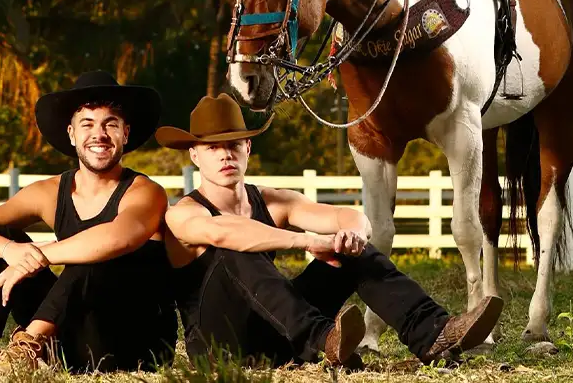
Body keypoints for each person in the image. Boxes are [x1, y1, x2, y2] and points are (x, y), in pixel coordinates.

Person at [156, 93, 504, 369]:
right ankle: (325, 340)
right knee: (237, 248)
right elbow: (224, 233)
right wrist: (309, 241)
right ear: (194, 156)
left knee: (350, 249)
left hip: (279, 337)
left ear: (247, 149)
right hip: (221, 348)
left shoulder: (273, 200)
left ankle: (433, 333)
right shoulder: (184, 213)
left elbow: (350, 217)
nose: (225, 155)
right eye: (212, 147)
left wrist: (350, 236)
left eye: (233, 145)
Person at [0, 71, 177, 378]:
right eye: (87, 124)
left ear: (126, 133)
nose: (100, 134)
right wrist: (11, 251)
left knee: (93, 251)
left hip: (134, 343)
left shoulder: (145, 192)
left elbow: (120, 237)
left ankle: (28, 346)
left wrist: (38, 256)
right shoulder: (50, 192)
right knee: (2, 233)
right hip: (71, 340)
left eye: (111, 124)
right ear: (71, 134)